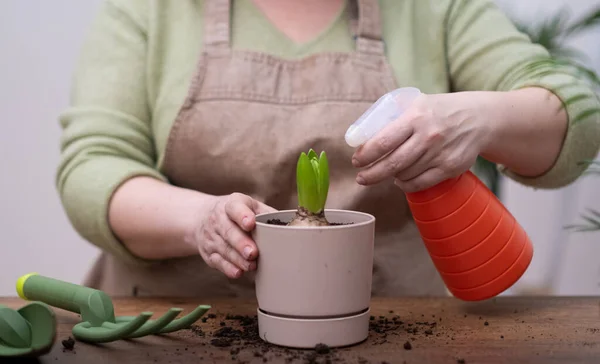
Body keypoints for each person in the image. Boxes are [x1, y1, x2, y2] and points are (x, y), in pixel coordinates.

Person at [56, 0, 600, 298]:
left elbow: (576, 116)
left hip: (403, 337)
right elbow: (93, 165)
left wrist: (478, 117)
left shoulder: (434, 9)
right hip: (177, 336)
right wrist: (199, 219)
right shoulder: (151, 10)